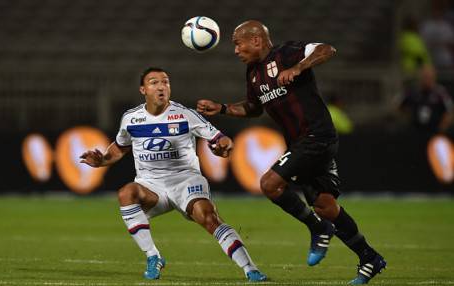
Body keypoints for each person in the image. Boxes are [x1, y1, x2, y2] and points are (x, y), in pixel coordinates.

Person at [197, 20, 386, 285]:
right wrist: (223, 108)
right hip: (300, 143)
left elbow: (327, 49)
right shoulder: (253, 72)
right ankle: (370, 258)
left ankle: (318, 228)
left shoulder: (286, 53)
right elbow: (254, 107)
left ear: (256, 40)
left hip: (317, 136)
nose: (235, 50)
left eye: (238, 44)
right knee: (325, 205)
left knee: (270, 184)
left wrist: (299, 66)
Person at [80, 67, 267, 282]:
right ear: (143, 90)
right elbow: (120, 147)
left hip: (185, 180)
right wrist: (102, 160)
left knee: (208, 218)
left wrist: (223, 147)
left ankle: (250, 268)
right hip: (151, 186)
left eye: (165, 82)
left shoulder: (185, 115)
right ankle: (153, 257)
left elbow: (220, 138)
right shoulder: (131, 118)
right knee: (125, 193)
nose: (161, 86)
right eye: (154, 82)